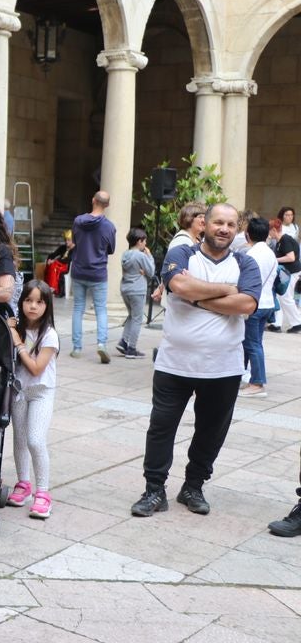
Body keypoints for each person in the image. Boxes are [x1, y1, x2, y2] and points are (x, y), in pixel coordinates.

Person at [130, 204, 260, 518]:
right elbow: (179, 285)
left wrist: (197, 297)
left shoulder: (246, 263)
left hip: (224, 368)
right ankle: (154, 490)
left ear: (237, 228)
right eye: (218, 222)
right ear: (204, 224)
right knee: (161, 429)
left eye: (231, 224)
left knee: (210, 431)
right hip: (174, 364)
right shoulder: (181, 255)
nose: (224, 229)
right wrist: (225, 291)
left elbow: (247, 303)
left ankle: (193, 487)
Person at [5, 279, 60, 519]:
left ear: (47, 305)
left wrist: (17, 342)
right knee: (19, 440)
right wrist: (11, 331)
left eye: (39, 301)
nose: (33, 306)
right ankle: (23, 484)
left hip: (41, 392)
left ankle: (43, 493)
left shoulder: (49, 335)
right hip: (19, 390)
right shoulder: (17, 327)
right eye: (28, 300)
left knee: (36, 441)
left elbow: (36, 368)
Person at [69, 191, 117, 363]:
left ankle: (76, 347)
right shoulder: (109, 227)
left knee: (78, 308)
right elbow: (111, 250)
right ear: (107, 205)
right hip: (98, 273)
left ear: (93, 200)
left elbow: (75, 241)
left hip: (79, 270)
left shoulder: (78, 221)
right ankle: (101, 344)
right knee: (101, 310)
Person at [241, 217, 277, 399]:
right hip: (267, 303)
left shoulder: (251, 255)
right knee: (254, 343)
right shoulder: (270, 253)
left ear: (248, 234)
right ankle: (250, 379)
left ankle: (257, 382)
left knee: (252, 344)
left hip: (254, 305)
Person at [117, 228, 155, 359]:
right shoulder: (141, 255)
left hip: (125, 288)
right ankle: (132, 348)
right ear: (139, 241)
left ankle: (123, 342)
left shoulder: (125, 255)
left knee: (132, 316)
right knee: (138, 319)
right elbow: (151, 271)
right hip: (137, 289)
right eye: (144, 242)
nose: (145, 245)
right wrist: (149, 255)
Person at [267, 218, 301, 333]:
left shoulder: (285, 239)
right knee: (280, 297)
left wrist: (275, 259)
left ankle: (297, 323)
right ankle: (276, 324)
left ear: (274, 230)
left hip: (292, 272)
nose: (268, 234)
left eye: (269, 231)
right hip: (287, 272)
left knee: (285, 297)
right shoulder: (280, 241)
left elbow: (291, 257)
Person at [44, 229, 73, 297]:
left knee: (54, 266)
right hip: (58, 265)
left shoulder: (75, 249)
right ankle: (49, 286)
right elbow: (54, 254)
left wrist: (55, 261)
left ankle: (54, 288)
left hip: (68, 268)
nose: (66, 242)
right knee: (51, 265)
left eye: (69, 240)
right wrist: (50, 259)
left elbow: (68, 260)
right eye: (65, 240)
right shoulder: (63, 247)